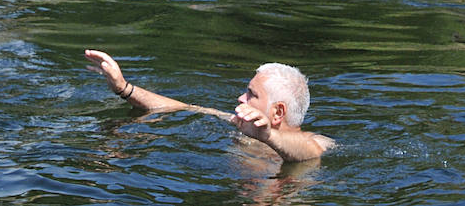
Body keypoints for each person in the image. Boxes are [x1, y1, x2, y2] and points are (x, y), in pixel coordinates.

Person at [84, 49, 333, 163]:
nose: (240, 99)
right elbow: (185, 107)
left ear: (278, 112)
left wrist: (268, 136)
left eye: (251, 94)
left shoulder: (318, 143)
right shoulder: (244, 125)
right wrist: (123, 87)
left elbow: (308, 152)